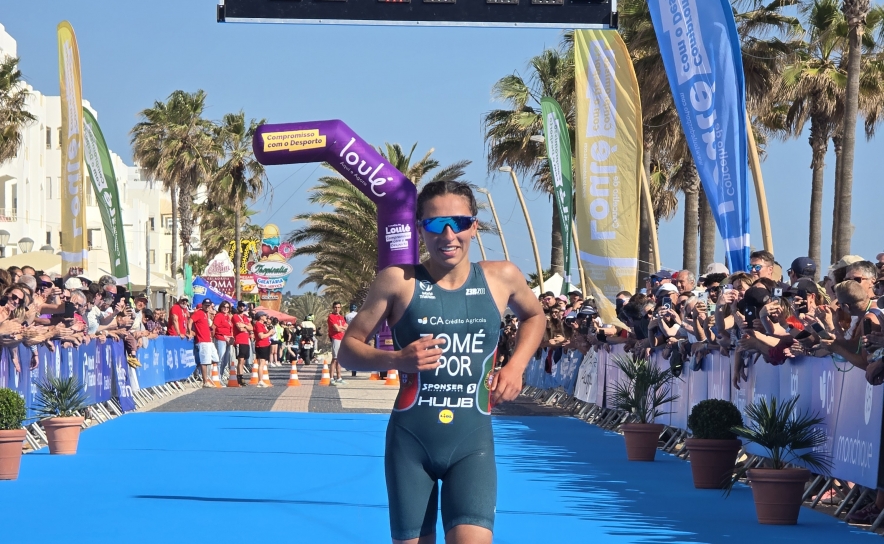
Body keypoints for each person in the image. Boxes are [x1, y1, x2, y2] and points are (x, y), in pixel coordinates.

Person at [339, 180, 545, 544]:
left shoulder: (502, 277)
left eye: (459, 223)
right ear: (420, 229)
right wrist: (398, 358)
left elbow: (535, 316)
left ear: (474, 226)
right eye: (436, 224)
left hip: (472, 442)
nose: (448, 235)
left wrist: (516, 366)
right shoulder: (398, 281)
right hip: (411, 444)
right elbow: (348, 349)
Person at [190, 299, 218, 387]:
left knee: (215, 359)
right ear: (202, 305)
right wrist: (189, 330)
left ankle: (207, 377)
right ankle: (205, 381)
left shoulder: (206, 314)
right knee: (204, 361)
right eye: (205, 305)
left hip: (208, 340)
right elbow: (190, 320)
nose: (207, 306)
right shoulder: (199, 313)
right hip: (202, 341)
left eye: (208, 305)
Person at [232, 302, 253, 386]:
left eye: (243, 306)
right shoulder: (235, 316)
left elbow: (251, 328)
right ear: (237, 307)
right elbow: (240, 328)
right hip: (239, 340)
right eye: (240, 306)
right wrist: (246, 327)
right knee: (240, 360)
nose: (242, 307)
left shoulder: (245, 317)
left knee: (244, 360)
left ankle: (241, 376)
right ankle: (240, 378)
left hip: (246, 341)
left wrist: (244, 326)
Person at [214, 301, 235, 382]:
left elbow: (230, 328)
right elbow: (214, 327)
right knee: (220, 359)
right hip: (221, 338)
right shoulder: (219, 315)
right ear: (221, 307)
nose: (226, 308)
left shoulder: (228, 317)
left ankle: (221, 375)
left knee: (225, 360)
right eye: (224, 307)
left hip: (228, 340)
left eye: (227, 307)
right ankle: (217, 378)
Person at [327, 301, 347, 385]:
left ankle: (339, 378)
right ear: (333, 308)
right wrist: (341, 328)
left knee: (339, 359)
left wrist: (340, 327)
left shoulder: (341, 317)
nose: (337, 309)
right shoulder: (331, 316)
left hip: (342, 338)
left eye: (338, 307)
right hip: (335, 338)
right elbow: (337, 329)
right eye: (335, 307)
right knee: (335, 359)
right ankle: (331, 378)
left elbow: (347, 327)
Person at [253, 311, 274, 387]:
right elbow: (261, 336)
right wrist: (269, 333)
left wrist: (270, 333)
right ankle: (260, 381)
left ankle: (261, 380)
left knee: (262, 363)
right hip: (261, 345)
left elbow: (265, 334)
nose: (266, 317)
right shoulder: (258, 324)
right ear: (261, 317)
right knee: (261, 363)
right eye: (264, 316)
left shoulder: (262, 325)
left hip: (264, 345)